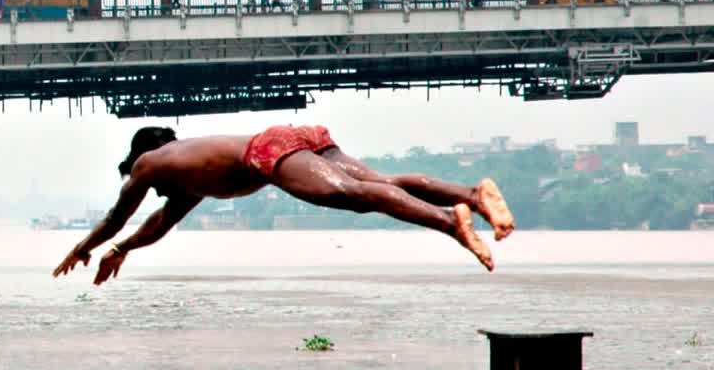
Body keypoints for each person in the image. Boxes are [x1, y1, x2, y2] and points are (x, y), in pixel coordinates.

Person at [53, 125, 515, 285]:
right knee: (381, 183)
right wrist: (124, 251)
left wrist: (84, 247)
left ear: (139, 159)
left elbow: (120, 216)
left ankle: (450, 225)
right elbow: (159, 223)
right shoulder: (191, 173)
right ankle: (472, 197)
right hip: (291, 139)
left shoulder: (150, 164)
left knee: (350, 197)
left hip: (269, 151)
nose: (145, 187)